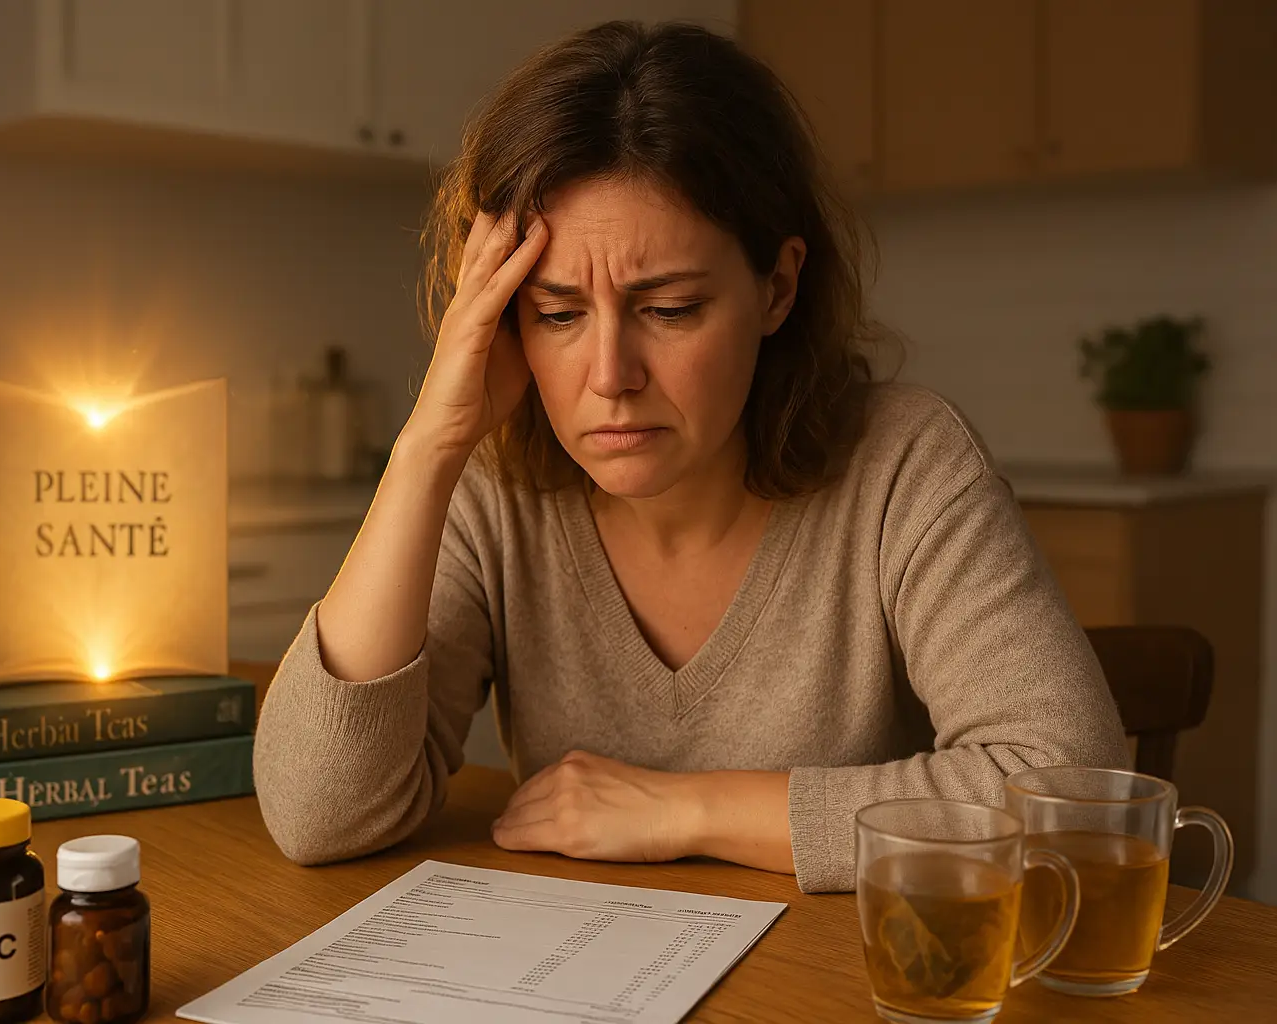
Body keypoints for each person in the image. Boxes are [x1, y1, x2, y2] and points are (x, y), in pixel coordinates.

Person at [253, 20, 1127, 893]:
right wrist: (426, 450)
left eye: (668, 309)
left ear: (777, 288)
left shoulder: (907, 464)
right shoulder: (495, 487)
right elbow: (319, 815)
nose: (609, 377)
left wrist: (686, 809)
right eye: (556, 315)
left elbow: (1066, 784)